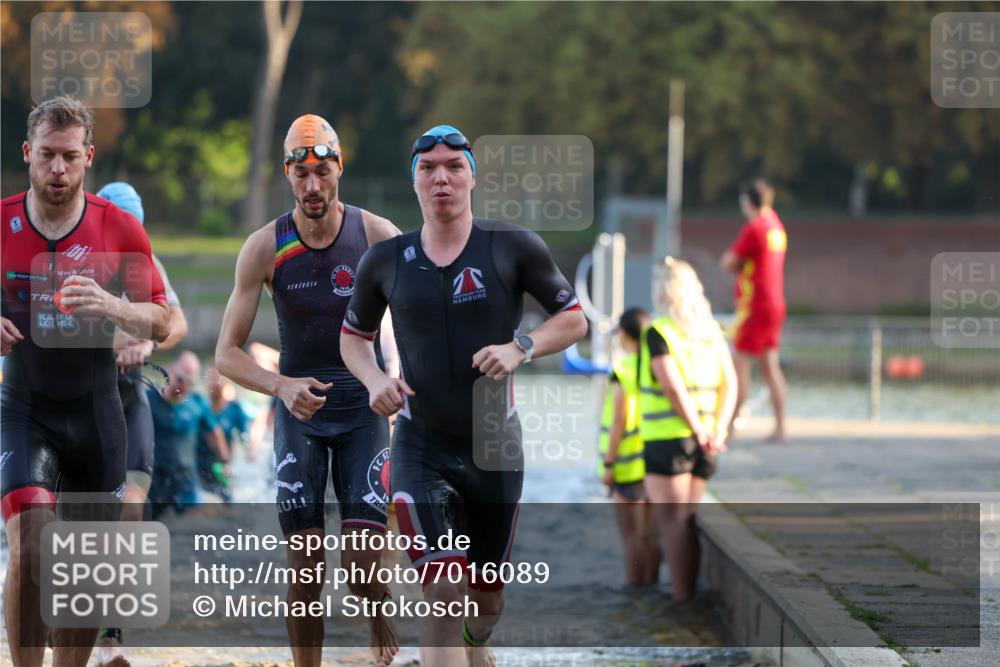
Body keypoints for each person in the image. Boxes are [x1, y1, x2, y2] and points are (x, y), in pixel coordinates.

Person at [341, 124, 588, 667]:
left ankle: (478, 650)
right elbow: (352, 340)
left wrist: (521, 345)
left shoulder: (513, 246)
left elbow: (573, 321)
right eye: (429, 169)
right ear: (415, 184)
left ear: (473, 177)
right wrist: (376, 381)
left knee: (486, 600)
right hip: (419, 443)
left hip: (494, 446)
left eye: (454, 166)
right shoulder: (385, 261)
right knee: (443, 588)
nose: (442, 178)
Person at [215, 114, 401, 667]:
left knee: (363, 564)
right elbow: (226, 353)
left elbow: (417, 324)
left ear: (339, 168)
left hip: (364, 410)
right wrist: (279, 386)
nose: (313, 187)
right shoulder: (263, 247)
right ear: (287, 174)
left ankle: (376, 604)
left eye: (323, 172)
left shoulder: (376, 236)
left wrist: (398, 383)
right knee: (305, 564)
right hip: (299, 415)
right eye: (302, 175)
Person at [1, 96, 169, 667]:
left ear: (89, 157)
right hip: (24, 407)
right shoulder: (1, 223)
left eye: (69, 157)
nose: (57, 170)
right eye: (46, 155)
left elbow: (165, 319)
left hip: (97, 413)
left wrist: (112, 306)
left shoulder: (116, 227)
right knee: (30, 546)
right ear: (27, 153)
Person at [93, 181, 190, 667]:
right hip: (79, 404)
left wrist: (147, 344)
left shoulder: (145, 260)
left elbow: (178, 322)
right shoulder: (76, 255)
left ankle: (112, 636)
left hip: (130, 401)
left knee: (130, 513)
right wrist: (116, 342)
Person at [638, 258, 737, 602]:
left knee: (673, 524)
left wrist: (696, 430)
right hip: (708, 442)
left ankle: (682, 602)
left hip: (670, 441)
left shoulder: (659, 331)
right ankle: (689, 596)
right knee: (689, 519)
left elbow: (672, 387)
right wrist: (718, 430)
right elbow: (731, 384)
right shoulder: (711, 331)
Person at [720, 178, 788, 443]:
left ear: (748, 202)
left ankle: (730, 430)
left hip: (754, 306)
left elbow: (728, 261)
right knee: (771, 366)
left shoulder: (755, 227)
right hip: (775, 303)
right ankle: (782, 428)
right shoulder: (777, 227)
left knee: (739, 367)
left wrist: (738, 268)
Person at [598, 307, 660, 586]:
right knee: (649, 535)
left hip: (626, 465)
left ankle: (636, 593)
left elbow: (619, 420)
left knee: (631, 538)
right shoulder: (654, 366)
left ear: (623, 334)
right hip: (652, 462)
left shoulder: (622, 369)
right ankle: (652, 586)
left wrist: (609, 464)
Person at [147, 351, 229, 515]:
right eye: (180, 379)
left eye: (190, 382)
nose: (183, 386)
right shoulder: (148, 399)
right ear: (170, 370)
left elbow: (215, 433)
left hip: (186, 480)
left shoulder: (198, 403)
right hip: (154, 479)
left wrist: (225, 463)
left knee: (192, 529)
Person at [198, 364, 256, 502]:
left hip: (223, 466)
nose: (215, 384)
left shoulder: (235, 409)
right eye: (212, 379)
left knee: (226, 502)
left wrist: (249, 451)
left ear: (226, 383)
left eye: (219, 379)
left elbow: (245, 437)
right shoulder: (199, 406)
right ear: (206, 383)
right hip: (199, 463)